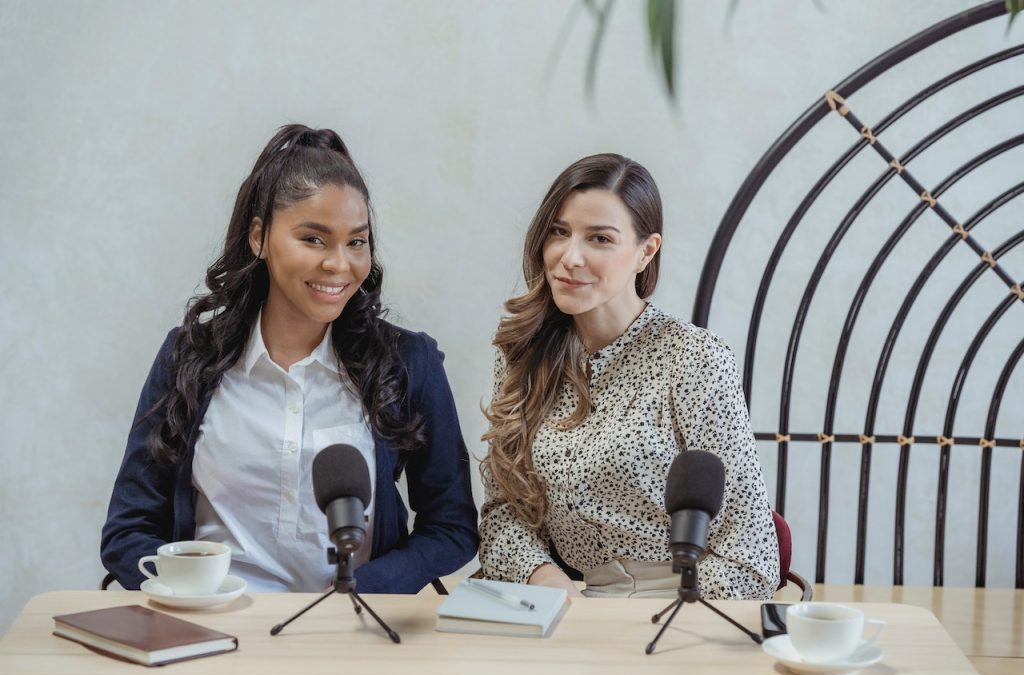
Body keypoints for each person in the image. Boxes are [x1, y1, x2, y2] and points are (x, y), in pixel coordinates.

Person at [101, 124, 478, 593]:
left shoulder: (407, 363)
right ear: (259, 237)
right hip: (215, 637)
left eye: (356, 242)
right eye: (314, 239)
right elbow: (127, 531)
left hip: (351, 638)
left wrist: (364, 591)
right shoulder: (189, 358)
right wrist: (190, 596)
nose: (339, 264)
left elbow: (452, 528)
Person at [478, 153, 779, 599]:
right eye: (559, 233)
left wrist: (651, 619)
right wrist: (549, 584)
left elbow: (750, 556)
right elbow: (503, 513)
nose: (570, 257)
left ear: (646, 251)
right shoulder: (521, 356)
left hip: (680, 607)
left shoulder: (696, 361)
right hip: (565, 605)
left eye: (600, 238)